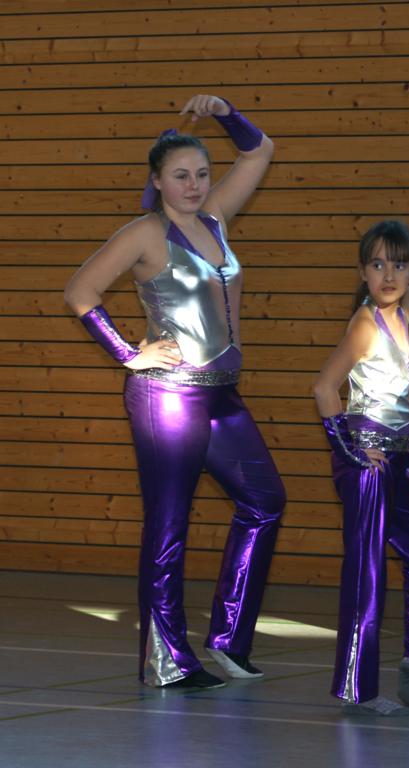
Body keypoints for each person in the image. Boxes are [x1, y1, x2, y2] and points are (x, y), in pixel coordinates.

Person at [64, 95, 283, 690]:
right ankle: (167, 660)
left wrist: (226, 112)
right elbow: (80, 291)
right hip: (168, 396)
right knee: (169, 524)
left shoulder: (214, 218)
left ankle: (229, 639)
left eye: (202, 174)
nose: (193, 185)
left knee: (265, 501)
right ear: (157, 181)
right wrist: (127, 353)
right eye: (180, 176)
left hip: (222, 394)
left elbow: (260, 151)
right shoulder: (144, 234)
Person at [313, 218, 409, 716]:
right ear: (362, 272)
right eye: (377, 265)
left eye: (399, 266)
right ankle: (359, 688)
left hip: (396, 461)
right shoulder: (365, 322)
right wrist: (350, 451)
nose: (389, 275)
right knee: (368, 571)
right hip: (368, 461)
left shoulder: (404, 307)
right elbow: (324, 388)